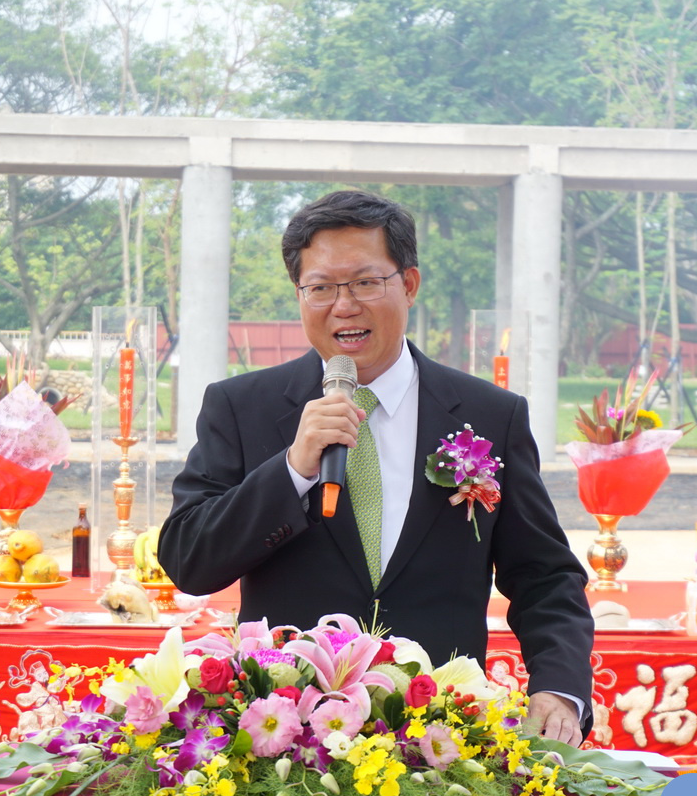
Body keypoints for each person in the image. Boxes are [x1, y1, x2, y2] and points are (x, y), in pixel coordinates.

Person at [159, 190, 593, 743]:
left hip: (440, 736)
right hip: (287, 743)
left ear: (408, 284)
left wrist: (559, 687)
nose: (343, 306)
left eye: (365, 283)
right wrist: (293, 467)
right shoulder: (242, 407)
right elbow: (188, 560)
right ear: (300, 294)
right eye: (320, 288)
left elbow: (545, 576)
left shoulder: (490, 416)